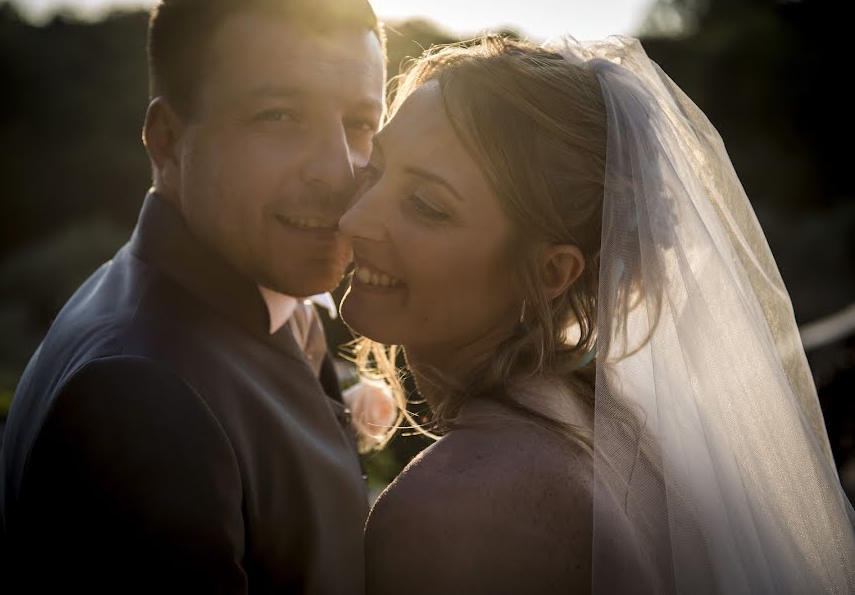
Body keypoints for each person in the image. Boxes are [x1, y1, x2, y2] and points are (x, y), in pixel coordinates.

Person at [339, 35, 855, 594]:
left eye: (427, 206)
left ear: (549, 273)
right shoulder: (607, 430)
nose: (354, 220)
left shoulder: (456, 510)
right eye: (374, 168)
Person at [0, 0, 386, 592]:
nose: (339, 169)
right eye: (279, 116)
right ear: (167, 138)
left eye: (360, 123)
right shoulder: (139, 393)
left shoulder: (243, 296)